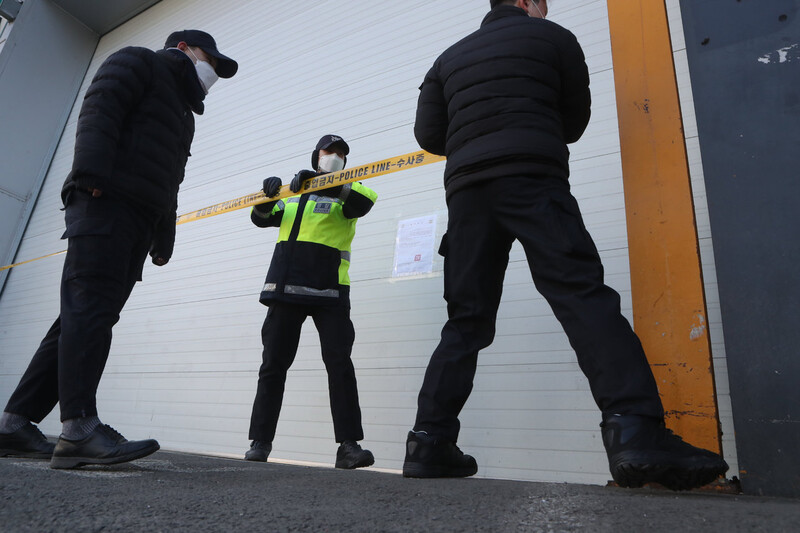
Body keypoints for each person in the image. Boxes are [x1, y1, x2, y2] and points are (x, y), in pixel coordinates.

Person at [402, 0, 729, 490]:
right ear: (531, 2)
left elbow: (429, 134)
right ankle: (634, 430)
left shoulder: (446, 58)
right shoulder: (554, 37)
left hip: (467, 193)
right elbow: (574, 122)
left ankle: (428, 442)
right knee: (580, 295)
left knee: (466, 320)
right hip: (533, 177)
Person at [0, 30, 237, 469]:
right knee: (89, 312)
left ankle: (14, 424)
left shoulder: (183, 116)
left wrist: (164, 234)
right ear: (183, 48)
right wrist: (90, 176)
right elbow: (100, 110)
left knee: (82, 317)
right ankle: (78, 431)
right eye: (211, 61)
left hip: (137, 222)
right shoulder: (138, 62)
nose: (213, 73)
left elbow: (171, 179)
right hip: (103, 203)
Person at [245, 135, 378, 470]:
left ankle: (348, 446)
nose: (334, 157)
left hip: (330, 293)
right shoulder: (292, 193)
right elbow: (262, 217)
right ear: (315, 155)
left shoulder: (351, 188)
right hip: (284, 291)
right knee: (273, 367)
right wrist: (266, 193)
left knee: (339, 366)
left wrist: (325, 183)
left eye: (340, 154)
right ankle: (259, 443)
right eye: (327, 152)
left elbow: (363, 203)